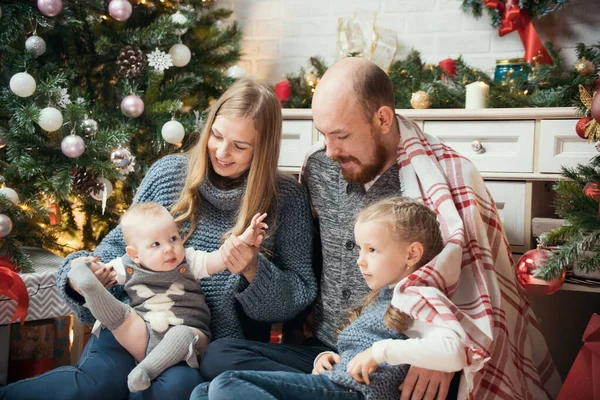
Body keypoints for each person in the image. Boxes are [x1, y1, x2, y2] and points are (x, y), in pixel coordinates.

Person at [197, 58, 561, 399]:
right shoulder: (320, 167)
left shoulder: (445, 178)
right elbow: (311, 266)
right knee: (219, 357)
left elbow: (474, 287)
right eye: (323, 134)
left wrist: (430, 356)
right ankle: (322, 387)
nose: (330, 149)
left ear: (383, 119)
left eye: (341, 135)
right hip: (327, 351)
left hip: (398, 360)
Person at [0, 78, 318, 400]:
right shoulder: (171, 174)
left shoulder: (285, 199)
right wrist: (84, 273)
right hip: (133, 322)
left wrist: (253, 270)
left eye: (240, 146)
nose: (222, 152)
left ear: (263, 148)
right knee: (98, 384)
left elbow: (297, 299)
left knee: (172, 391)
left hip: (202, 350)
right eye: (217, 136)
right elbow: (116, 246)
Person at [195, 197, 469, 400]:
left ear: (412, 254)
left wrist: (379, 352)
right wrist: (327, 358)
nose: (360, 261)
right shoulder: (383, 298)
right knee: (202, 392)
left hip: (355, 393)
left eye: (372, 250)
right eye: (360, 249)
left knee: (225, 384)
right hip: (336, 382)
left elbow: (455, 351)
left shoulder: (421, 297)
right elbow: (356, 354)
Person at [68, 202, 268, 392]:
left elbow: (222, 257)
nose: (169, 248)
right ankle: (89, 288)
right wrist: (88, 267)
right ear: (135, 254)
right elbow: (103, 271)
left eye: (173, 238)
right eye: (155, 244)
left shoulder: (189, 260)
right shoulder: (128, 265)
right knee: (123, 317)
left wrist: (244, 240)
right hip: (145, 336)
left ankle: (145, 370)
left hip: (190, 337)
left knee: (182, 334)